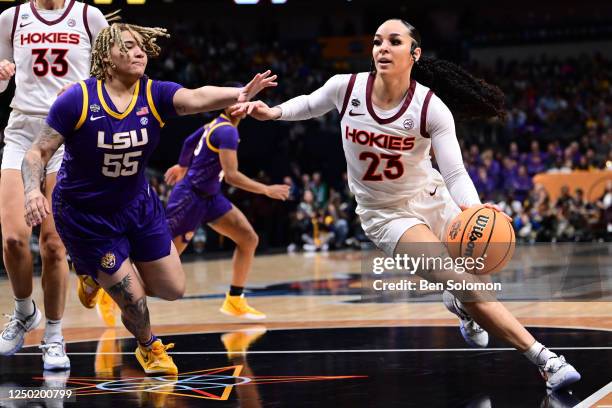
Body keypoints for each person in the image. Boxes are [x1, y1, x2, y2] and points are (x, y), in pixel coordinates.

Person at [234, 19, 581, 391]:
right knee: (460, 279)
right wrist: (273, 113)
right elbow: (308, 103)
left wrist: (476, 209)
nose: (382, 48)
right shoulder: (345, 87)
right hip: (387, 215)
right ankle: (545, 360)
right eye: (378, 41)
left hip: (431, 198)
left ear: (414, 54)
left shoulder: (431, 108)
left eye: (394, 42)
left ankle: (463, 308)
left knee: (477, 280)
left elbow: (455, 173)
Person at [21, 22, 277, 375]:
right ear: (106, 57)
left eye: (141, 46)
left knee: (172, 288)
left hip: (137, 205)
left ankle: (97, 277)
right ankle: (148, 346)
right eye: (127, 46)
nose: (138, 51)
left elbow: (196, 96)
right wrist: (33, 190)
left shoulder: (154, 94)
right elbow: (37, 152)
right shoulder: (77, 99)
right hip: (87, 215)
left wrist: (238, 94)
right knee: (134, 301)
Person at [0, 0, 108, 370]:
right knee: (14, 239)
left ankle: (55, 335)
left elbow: (109, 76)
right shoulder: (10, 18)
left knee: (53, 244)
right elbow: (0, 84)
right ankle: (24, 311)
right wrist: (0, 75)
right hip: (22, 132)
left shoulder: (88, 16)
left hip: (69, 134)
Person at [163, 88, 289, 320]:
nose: (240, 104)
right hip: (189, 198)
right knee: (162, 261)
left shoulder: (214, 124)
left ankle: (234, 300)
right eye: (235, 100)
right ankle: (111, 293)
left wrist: (182, 165)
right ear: (225, 104)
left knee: (248, 239)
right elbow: (231, 176)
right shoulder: (227, 131)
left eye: (245, 101)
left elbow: (190, 141)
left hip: (210, 197)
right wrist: (266, 189)